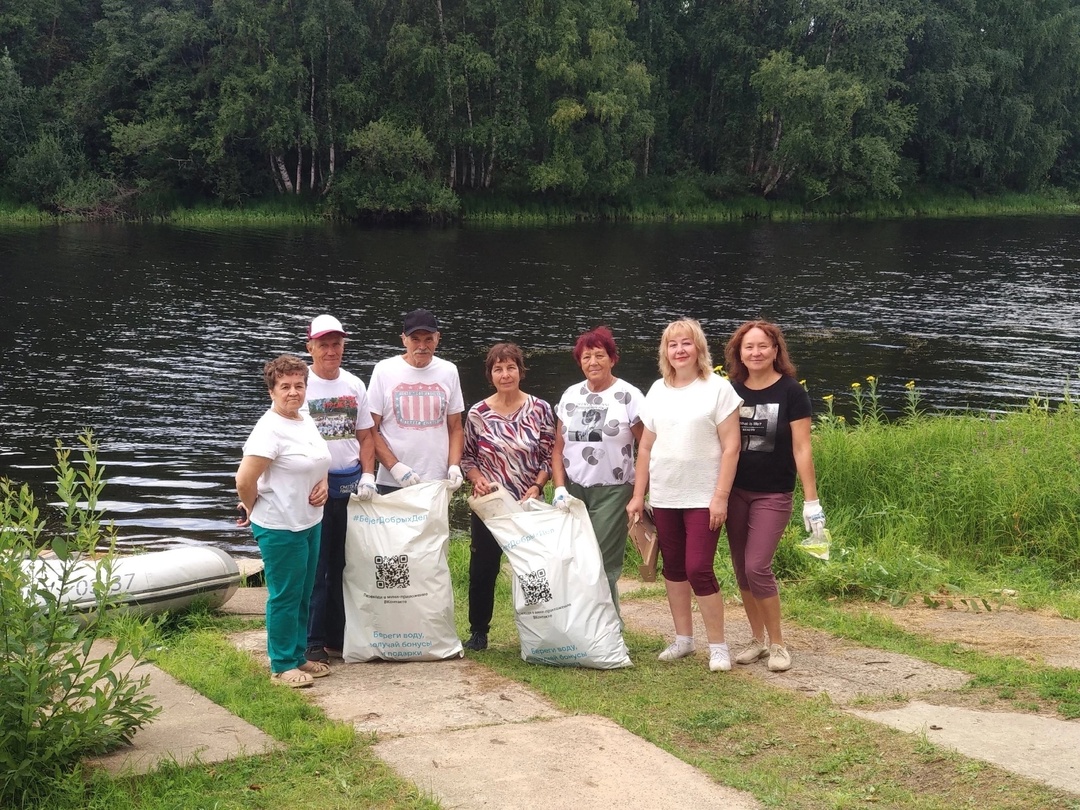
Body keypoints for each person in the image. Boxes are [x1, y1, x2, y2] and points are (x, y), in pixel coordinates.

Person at [626, 319, 742, 673]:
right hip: (664, 495)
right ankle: (683, 640)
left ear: (699, 348)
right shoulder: (658, 390)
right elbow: (645, 447)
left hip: (703, 496)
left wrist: (720, 496)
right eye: (673, 345)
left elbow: (732, 447)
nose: (680, 350)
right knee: (674, 568)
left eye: (686, 343)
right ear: (665, 352)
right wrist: (637, 495)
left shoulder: (718, 389)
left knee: (698, 568)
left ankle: (718, 646)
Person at [723, 320, 825, 673]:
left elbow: (802, 448)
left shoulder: (792, 392)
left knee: (757, 565)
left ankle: (778, 643)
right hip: (734, 492)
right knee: (740, 568)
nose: (755, 352)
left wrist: (812, 503)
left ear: (776, 350)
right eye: (748, 347)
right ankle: (756, 639)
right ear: (739, 353)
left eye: (762, 346)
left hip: (773, 493)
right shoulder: (730, 391)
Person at [236, 354, 333, 688]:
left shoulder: (304, 419)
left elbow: (316, 462)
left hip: (309, 520)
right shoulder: (268, 430)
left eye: (299, 385)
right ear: (272, 391)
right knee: (285, 595)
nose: (293, 392)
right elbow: (244, 481)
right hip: (280, 525)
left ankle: (297, 655)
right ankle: (280, 664)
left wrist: (324, 484)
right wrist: (251, 509)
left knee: (305, 592)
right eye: (285, 386)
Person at [460, 342, 555, 651]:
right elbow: (467, 460)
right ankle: (478, 631)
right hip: (490, 504)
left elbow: (549, 455)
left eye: (510, 367)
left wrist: (538, 486)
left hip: (528, 502)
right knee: (482, 569)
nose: (505, 374)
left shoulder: (540, 408)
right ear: (490, 374)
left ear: (520, 371)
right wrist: (477, 479)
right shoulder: (477, 413)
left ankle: (541, 626)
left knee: (533, 567)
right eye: (498, 369)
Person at [551, 326, 644, 613]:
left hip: (614, 491)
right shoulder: (570, 395)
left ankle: (608, 629)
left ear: (612, 359)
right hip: (575, 491)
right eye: (587, 356)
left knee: (600, 561)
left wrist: (639, 495)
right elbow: (558, 448)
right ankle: (580, 624)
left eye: (600, 355)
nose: (593, 362)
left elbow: (648, 449)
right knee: (573, 558)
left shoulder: (629, 395)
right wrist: (559, 488)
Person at [301, 314, 377, 665]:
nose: (331, 351)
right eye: (324, 345)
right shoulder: (300, 385)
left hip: (350, 482)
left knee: (345, 564)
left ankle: (338, 635)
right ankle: (312, 640)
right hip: (315, 486)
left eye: (337, 344)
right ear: (310, 347)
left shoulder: (354, 384)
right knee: (316, 566)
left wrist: (368, 474)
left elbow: (365, 436)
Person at [368, 309, 465, 494]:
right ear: (404, 339)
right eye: (415, 339)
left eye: (428, 339)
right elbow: (370, 428)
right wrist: (395, 467)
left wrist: (454, 466)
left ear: (438, 338)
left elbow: (455, 428)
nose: (422, 346)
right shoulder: (383, 370)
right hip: (393, 481)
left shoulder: (449, 371)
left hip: (437, 481)